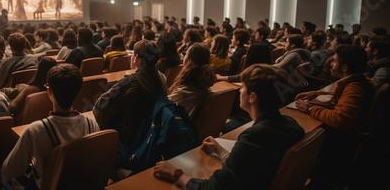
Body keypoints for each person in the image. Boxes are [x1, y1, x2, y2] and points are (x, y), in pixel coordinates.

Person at [153, 64, 304, 189]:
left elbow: (213, 188)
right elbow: (248, 165)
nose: (240, 90)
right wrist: (220, 151)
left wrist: (177, 174)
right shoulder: (291, 125)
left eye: (243, 87)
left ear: (252, 97)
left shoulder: (254, 136)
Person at [1, 63, 100, 188]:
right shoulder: (92, 124)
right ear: (79, 90)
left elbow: (7, 172)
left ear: (49, 91)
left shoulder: (36, 130)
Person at [295, 45, 375, 189]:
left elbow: (339, 119)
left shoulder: (354, 87)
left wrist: (309, 108)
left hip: (339, 145)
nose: (331, 64)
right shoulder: (361, 80)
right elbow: (345, 97)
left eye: (334, 61)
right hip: (344, 140)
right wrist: (317, 94)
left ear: (344, 68)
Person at [93, 40, 167, 170]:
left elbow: (99, 109)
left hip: (127, 144)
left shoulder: (129, 82)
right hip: (152, 138)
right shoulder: (162, 78)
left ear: (136, 58)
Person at [168, 43, 216, 118]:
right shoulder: (205, 83)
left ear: (190, 61)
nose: (184, 57)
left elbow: (167, 109)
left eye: (186, 55)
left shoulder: (183, 91)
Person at [9, 57, 58, 121]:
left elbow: (13, 107)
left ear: (39, 70)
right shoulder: (58, 91)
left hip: (23, 124)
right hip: (48, 121)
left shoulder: (30, 90)